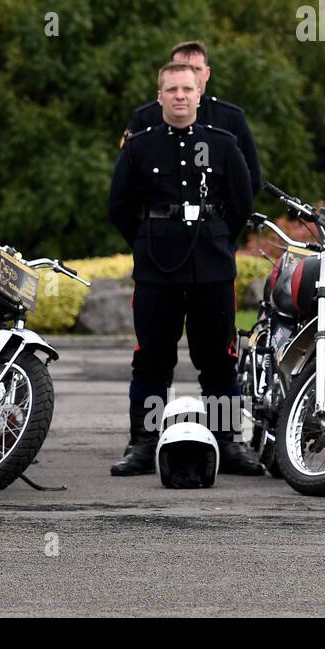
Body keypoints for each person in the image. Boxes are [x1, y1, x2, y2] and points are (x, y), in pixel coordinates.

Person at [107, 61, 263, 477]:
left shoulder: (223, 143)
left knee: (218, 360)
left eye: (186, 89)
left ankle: (227, 443)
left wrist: (216, 239)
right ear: (159, 97)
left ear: (199, 95)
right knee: (152, 359)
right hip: (156, 268)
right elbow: (119, 206)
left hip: (211, 268)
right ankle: (144, 443)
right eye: (172, 89)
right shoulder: (140, 146)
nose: (179, 95)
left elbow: (242, 203)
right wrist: (147, 240)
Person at [124, 41, 261, 198]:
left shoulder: (230, 118)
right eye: (181, 68)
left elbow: (250, 180)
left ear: (207, 73)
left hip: (213, 216)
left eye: (196, 69)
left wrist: (220, 220)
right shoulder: (146, 117)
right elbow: (126, 177)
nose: (188, 75)